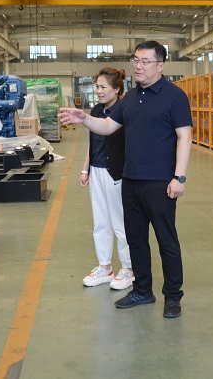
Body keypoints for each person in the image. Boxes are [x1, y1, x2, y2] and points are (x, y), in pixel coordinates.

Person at [58, 41, 192, 319]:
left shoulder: (174, 96)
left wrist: (179, 177)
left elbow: (184, 136)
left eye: (145, 61)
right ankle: (142, 290)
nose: (138, 66)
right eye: (135, 60)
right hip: (130, 180)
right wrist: (84, 118)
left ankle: (172, 296)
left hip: (160, 183)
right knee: (135, 240)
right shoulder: (130, 97)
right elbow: (108, 126)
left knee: (167, 241)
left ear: (160, 65)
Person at [80, 67, 134, 291]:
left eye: (103, 87)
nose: (99, 91)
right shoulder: (95, 110)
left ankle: (129, 269)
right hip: (97, 170)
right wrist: (85, 170)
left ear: (117, 89)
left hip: (116, 173)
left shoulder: (124, 110)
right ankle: (105, 267)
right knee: (100, 222)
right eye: (97, 87)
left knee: (121, 224)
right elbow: (92, 142)